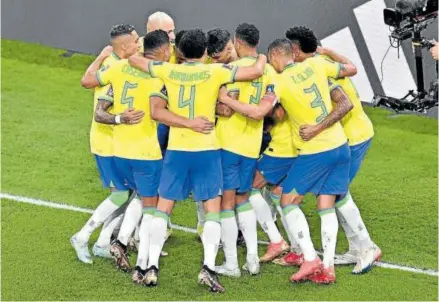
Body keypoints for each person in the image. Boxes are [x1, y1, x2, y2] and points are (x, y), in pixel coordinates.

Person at [128, 28, 268, 292]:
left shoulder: (168, 70)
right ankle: (208, 267)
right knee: (212, 209)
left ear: (180, 52)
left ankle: (152, 266)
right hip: (207, 150)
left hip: (177, 150)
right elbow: (256, 71)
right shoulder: (214, 72)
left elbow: (135, 60)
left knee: (163, 207)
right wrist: (260, 57)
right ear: (205, 51)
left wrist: (154, 57)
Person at [286, 26, 381, 274]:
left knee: (337, 194)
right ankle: (355, 247)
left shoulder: (312, 69)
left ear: (295, 51)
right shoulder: (322, 62)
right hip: (347, 135)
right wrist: (329, 51)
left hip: (353, 136)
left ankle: (367, 246)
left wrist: (316, 129)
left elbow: (343, 103)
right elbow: (351, 67)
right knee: (336, 194)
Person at [71, 24, 141, 264]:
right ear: (124, 46)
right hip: (106, 141)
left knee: (128, 193)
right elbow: (100, 112)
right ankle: (82, 236)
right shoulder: (113, 67)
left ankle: (103, 242)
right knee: (121, 193)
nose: (139, 44)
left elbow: (86, 80)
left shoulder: (112, 60)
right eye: (135, 41)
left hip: (120, 141)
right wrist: (123, 119)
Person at [215, 23, 276, 277]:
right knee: (244, 198)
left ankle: (231, 264)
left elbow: (224, 108)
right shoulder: (270, 72)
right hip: (252, 146)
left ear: (237, 43)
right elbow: (271, 108)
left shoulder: (228, 71)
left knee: (226, 205)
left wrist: (221, 102)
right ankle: (252, 257)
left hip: (227, 143)